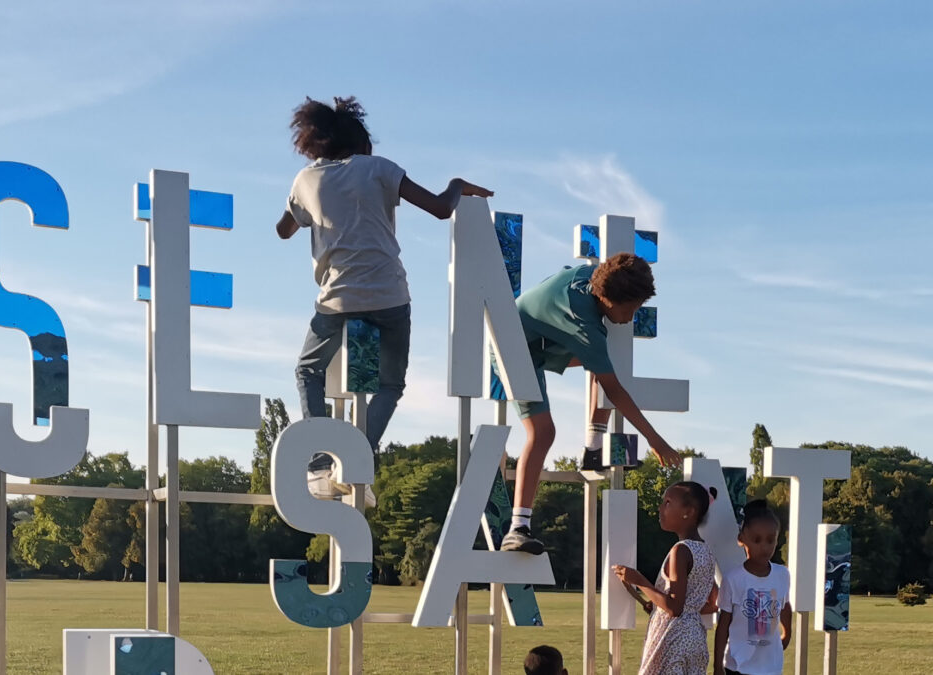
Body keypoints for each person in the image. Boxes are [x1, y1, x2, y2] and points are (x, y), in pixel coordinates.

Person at [275, 96, 492, 459]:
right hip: (390, 296)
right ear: (362, 143)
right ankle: (357, 454)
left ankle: (320, 458)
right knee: (390, 384)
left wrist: (309, 204)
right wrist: (457, 184)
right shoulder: (379, 168)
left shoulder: (307, 179)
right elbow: (441, 208)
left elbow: (283, 230)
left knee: (308, 371)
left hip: (337, 300)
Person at [500, 254, 682, 554]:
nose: (632, 317)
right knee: (543, 433)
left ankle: (593, 449)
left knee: (610, 364)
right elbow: (615, 392)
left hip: (543, 339)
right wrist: (656, 441)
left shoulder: (591, 276)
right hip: (513, 351)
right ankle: (518, 527)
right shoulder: (586, 327)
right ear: (607, 299)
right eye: (631, 309)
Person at [613, 481, 719, 675]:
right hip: (695, 637)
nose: (661, 508)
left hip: (673, 637)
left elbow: (674, 607)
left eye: (668, 502)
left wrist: (638, 580)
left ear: (689, 512)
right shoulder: (706, 551)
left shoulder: (681, 551)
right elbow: (712, 602)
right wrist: (656, 605)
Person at [714, 499, 792, 675]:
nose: (764, 547)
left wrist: (787, 633)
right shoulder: (733, 579)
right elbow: (723, 625)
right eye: (757, 540)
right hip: (737, 666)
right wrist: (717, 665)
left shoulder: (782, 574)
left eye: (770, 540)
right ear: (742, 539)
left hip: (770, 666)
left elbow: (785, 605)